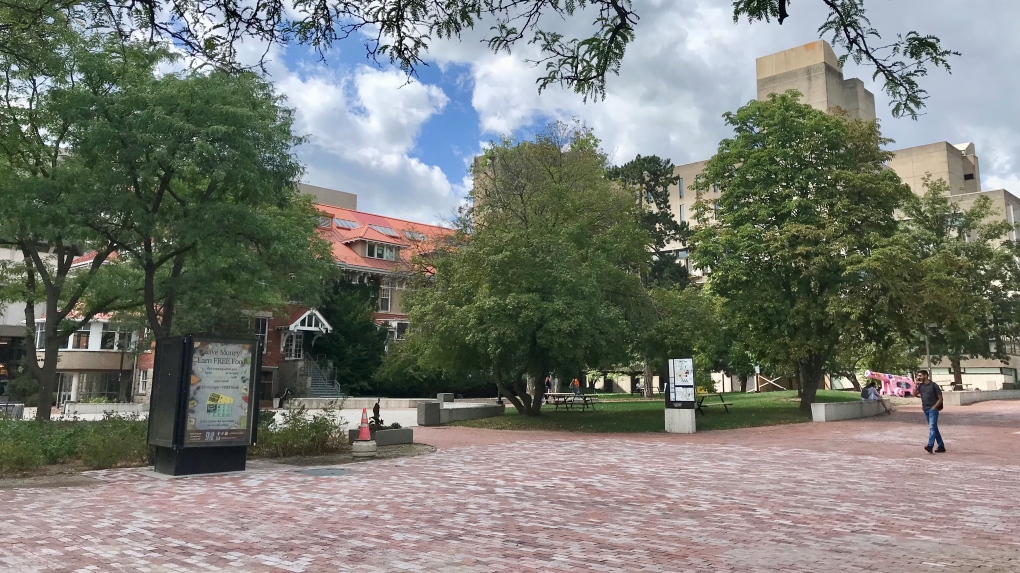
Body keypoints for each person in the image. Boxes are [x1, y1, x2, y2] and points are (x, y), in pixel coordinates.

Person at [912, 369, 945, 454]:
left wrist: (934, 407)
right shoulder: (921, 386)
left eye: (920, 375)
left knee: (932, 427)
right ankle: (941, 446)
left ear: (925, 375)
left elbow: (940, 398)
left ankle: (930, 445)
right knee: (934, 428)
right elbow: (915, 394)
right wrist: (916, 384)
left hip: (933, 410)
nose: (918, 377)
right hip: (925, 409)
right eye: (918, 376)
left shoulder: (933, 385)